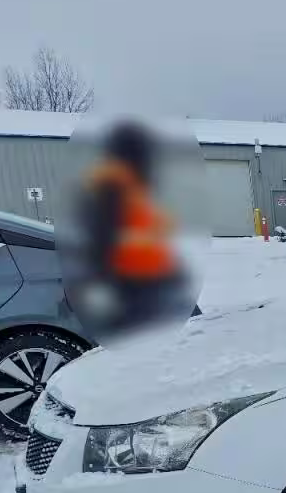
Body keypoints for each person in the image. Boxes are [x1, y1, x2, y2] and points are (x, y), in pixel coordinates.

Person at [71, 120, 195, 339]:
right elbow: (100, 238)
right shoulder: (110, 186)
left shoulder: (129, 184)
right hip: (136, 287)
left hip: (155, 280)